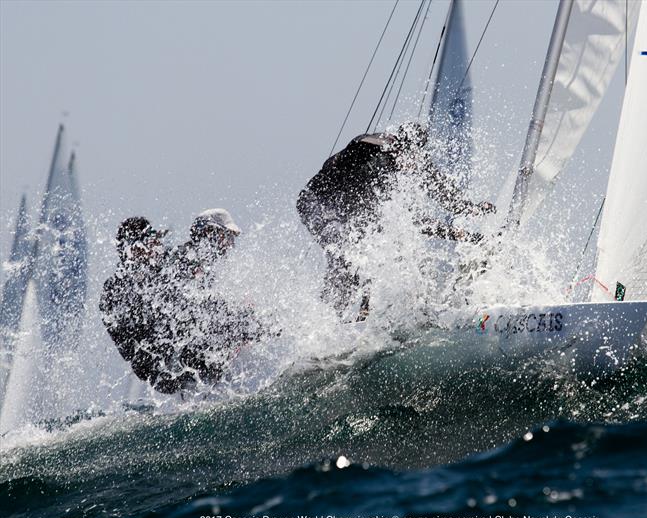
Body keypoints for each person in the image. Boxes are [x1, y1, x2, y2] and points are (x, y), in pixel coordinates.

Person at [296, 121, 495, 318]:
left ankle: (325, 318)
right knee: (345, 251)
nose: (411, 167)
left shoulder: (391, 180)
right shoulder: (369, 147)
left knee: (357, 262)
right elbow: (362, 141)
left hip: (345, 213)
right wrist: (394, 145)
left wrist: (470, 222)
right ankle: (346, 313)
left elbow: (426, 212)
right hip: (315, 202)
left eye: (416, 159)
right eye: (408, 155)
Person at [100, 214, 264, 394]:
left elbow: (191, 256)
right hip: (170, 368)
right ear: (137, 249)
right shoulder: (117, 292)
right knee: (213, 316)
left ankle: (250, 330)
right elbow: (128, 347)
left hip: (170, 369)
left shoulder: (164, 266)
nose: (159, 246)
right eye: (154, 241)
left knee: (216, 310)